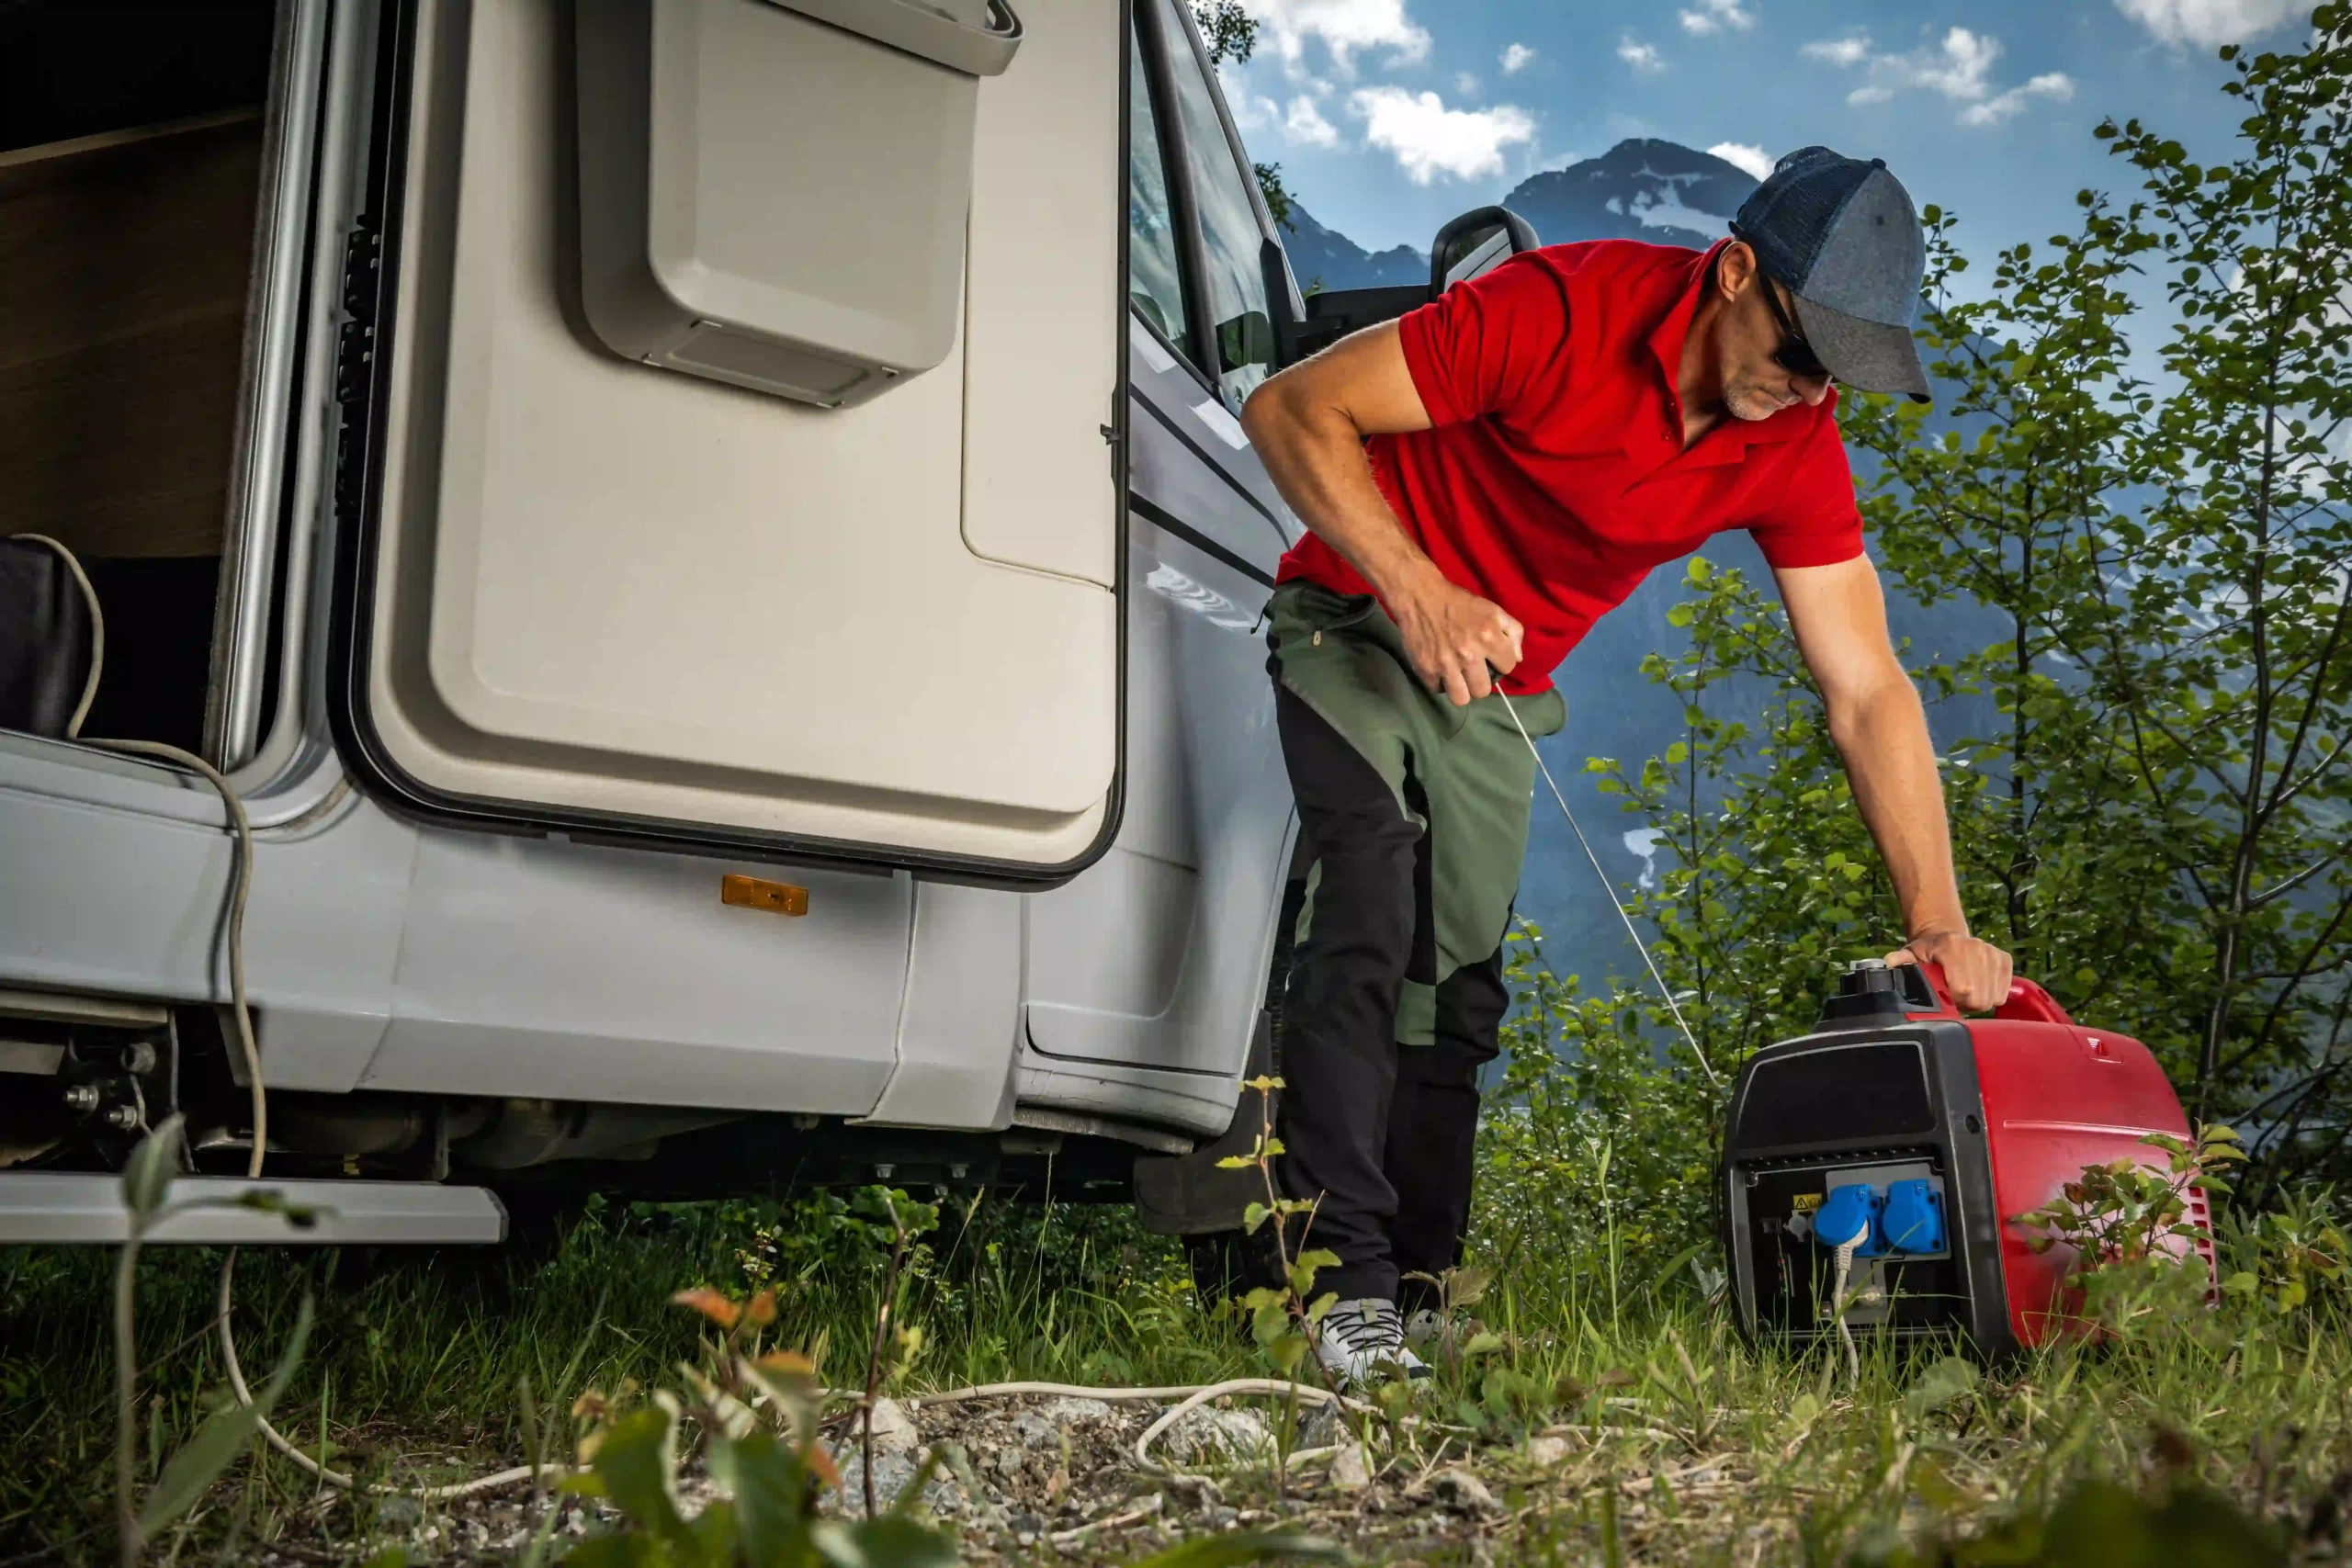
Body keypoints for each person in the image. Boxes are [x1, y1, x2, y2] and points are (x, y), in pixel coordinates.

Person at [1238, 146, 2017, 1385]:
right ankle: (1342, 1289)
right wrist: (1422, 588)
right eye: (1801, 349)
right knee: (1372, 895)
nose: (1810, 391)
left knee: (1459, 987)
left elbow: (1866, 686)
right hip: (1352, 610)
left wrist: (1936, 919)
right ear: (1734, 270)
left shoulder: (1793, 440)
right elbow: (1289, 408)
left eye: (1839, 374)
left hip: (1495, 682)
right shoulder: (1556, 313)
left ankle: (1422, 1297)